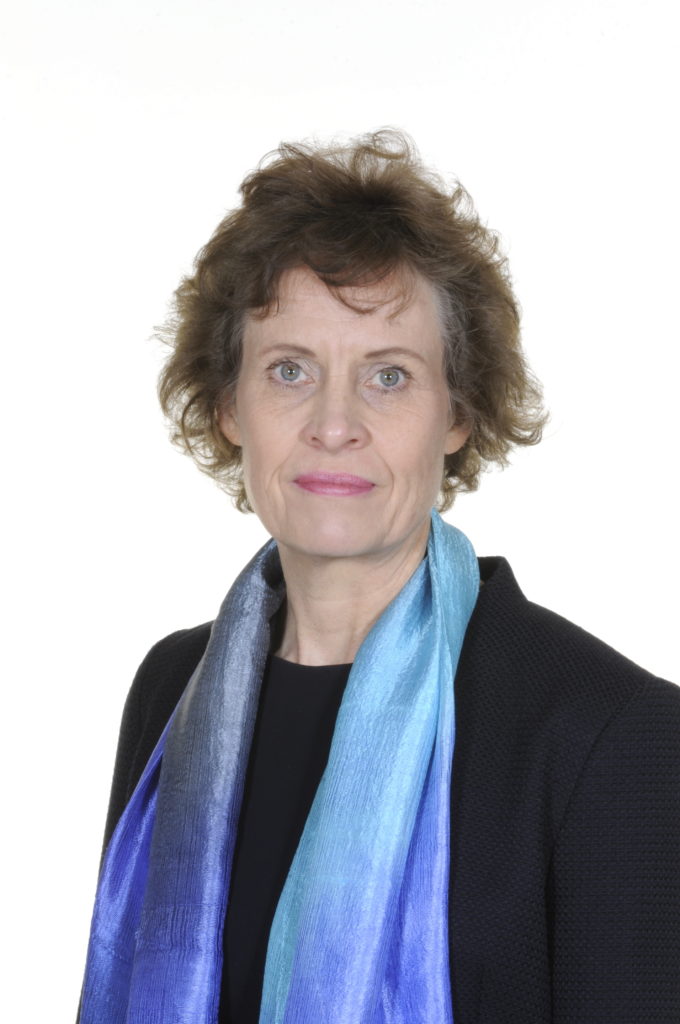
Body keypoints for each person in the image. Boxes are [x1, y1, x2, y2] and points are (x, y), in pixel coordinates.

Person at [78, 130, 680, 1024]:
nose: (334, 424)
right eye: (289, 370)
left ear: (457, 413)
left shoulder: (610, 735)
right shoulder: (171, 691)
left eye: (389, 376)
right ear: (229, 404)